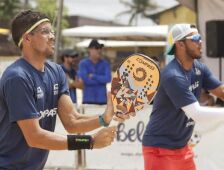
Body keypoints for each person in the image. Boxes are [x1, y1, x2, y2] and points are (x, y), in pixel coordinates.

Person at [0, 10, 133, 169]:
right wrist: (89, 142)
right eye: (45, 32)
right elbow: (34, 137)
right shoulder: (17, 77)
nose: (52, 36)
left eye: (52, 31)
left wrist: (106, 116)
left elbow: (72, 121)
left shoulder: (56, 72)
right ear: (27, 38)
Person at [142, 23, 224, 170]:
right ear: (180, 44)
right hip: (159, 149)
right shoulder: (172, 76)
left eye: (200, 37)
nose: (201, 41)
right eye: (195, 38)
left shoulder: (198, 68)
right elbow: (197, 114)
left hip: (181, 147)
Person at [78, 39, 111, 105]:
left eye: (100, 48)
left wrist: (93, 76)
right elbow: (86, 80)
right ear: (89, 50)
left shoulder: (105, 63)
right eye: (96, 48)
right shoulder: (83, 63)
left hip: (102, 100)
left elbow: (108, 79)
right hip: (88, 99)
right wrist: (101, 80)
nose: (99, 50)